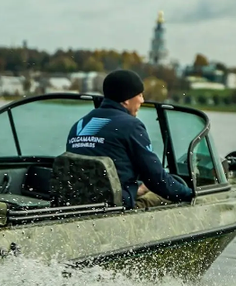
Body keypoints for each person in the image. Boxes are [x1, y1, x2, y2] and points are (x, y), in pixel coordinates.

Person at [66, 69, 194, 210]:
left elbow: (91, 178)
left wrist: (135, 190)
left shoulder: (79, 125)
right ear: (126, 99)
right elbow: (157, 179)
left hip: (78, 205)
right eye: (139, 94)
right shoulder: (130, 125)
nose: (142, 100)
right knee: (161, 197)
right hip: (116, 211)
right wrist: (190, 194)